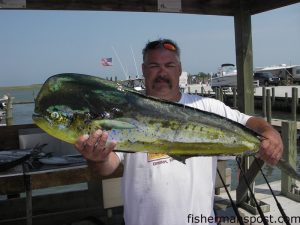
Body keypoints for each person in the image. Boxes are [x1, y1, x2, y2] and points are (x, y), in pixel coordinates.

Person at [75, 39, 283, 225]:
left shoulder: (207, 106)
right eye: (154, 66)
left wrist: (270, 133)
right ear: (143, 70)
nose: (162, 72)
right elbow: (107, 167)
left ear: (179, 69)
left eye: (169, 65)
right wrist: (97, 159)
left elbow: (249, 122)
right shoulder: (124, 111)